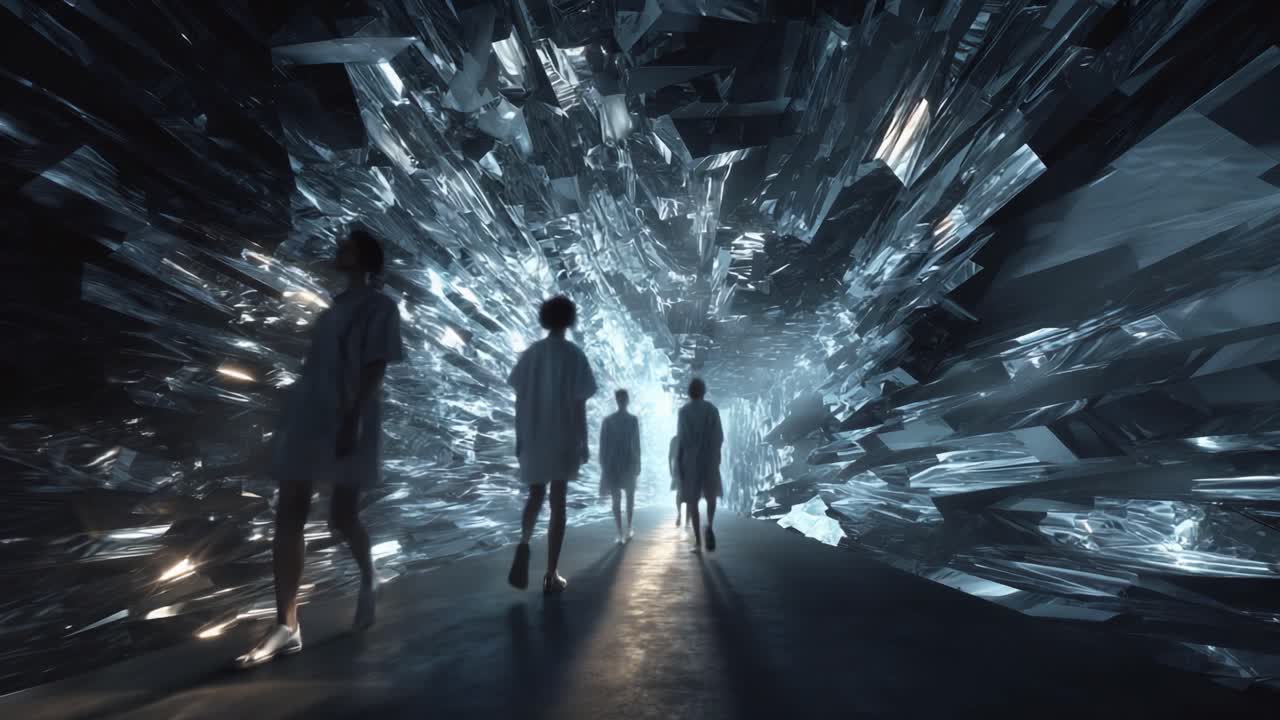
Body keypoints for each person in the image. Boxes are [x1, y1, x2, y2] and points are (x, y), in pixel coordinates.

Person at [238, 228, 404, 668]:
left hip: (350, 417)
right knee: (290, 509)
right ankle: (286, 624)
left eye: (347, 246)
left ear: (366, 259)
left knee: (342, 515)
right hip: (311, 415)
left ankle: (369, 579)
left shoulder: (380, 306)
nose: (338, 250)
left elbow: (375, 366)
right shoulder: (336, 305)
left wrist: (352, 419)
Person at [507, 295, 597, 594]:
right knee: (558, 503)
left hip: (533, 436)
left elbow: (519, 400)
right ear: (570, 320)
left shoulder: (531, 354)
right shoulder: (575, 356)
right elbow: (579, 405)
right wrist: (583, 442)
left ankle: (523, 541)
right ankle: (550, 574)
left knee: (535, 495)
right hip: (563, 438)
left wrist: (520, 438)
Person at [675, 377, 723, 553]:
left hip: (691, 461)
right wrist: (716, 457)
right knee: (711, 496)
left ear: (690, 392)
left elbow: (681, 439)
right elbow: (719, 437)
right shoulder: (712, 410)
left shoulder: (684, 412)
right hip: (709, 459)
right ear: (704, 391)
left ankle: (697, 541)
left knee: (692, 501)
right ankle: (709, 525)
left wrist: (679, 462)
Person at [599, 389, 641, 544]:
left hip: (615, 464)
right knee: (627, 497)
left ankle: (622, 531)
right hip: (625, 463)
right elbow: (636, 444)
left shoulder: (608, 420)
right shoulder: (632, 420)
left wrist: (604, 465)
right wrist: (638, 463)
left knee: (618, 499)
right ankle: (627, 529)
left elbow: (603, 446)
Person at [668, 435, 683, 527]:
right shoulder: (689, 437)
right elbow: (670, 456)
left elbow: (670, 457)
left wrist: (671, 470)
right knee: (687, 493)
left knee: (679, 492)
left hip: (677, 468)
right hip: (682, 468)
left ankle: (679, 513)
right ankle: (684, 515)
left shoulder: (674, 439)